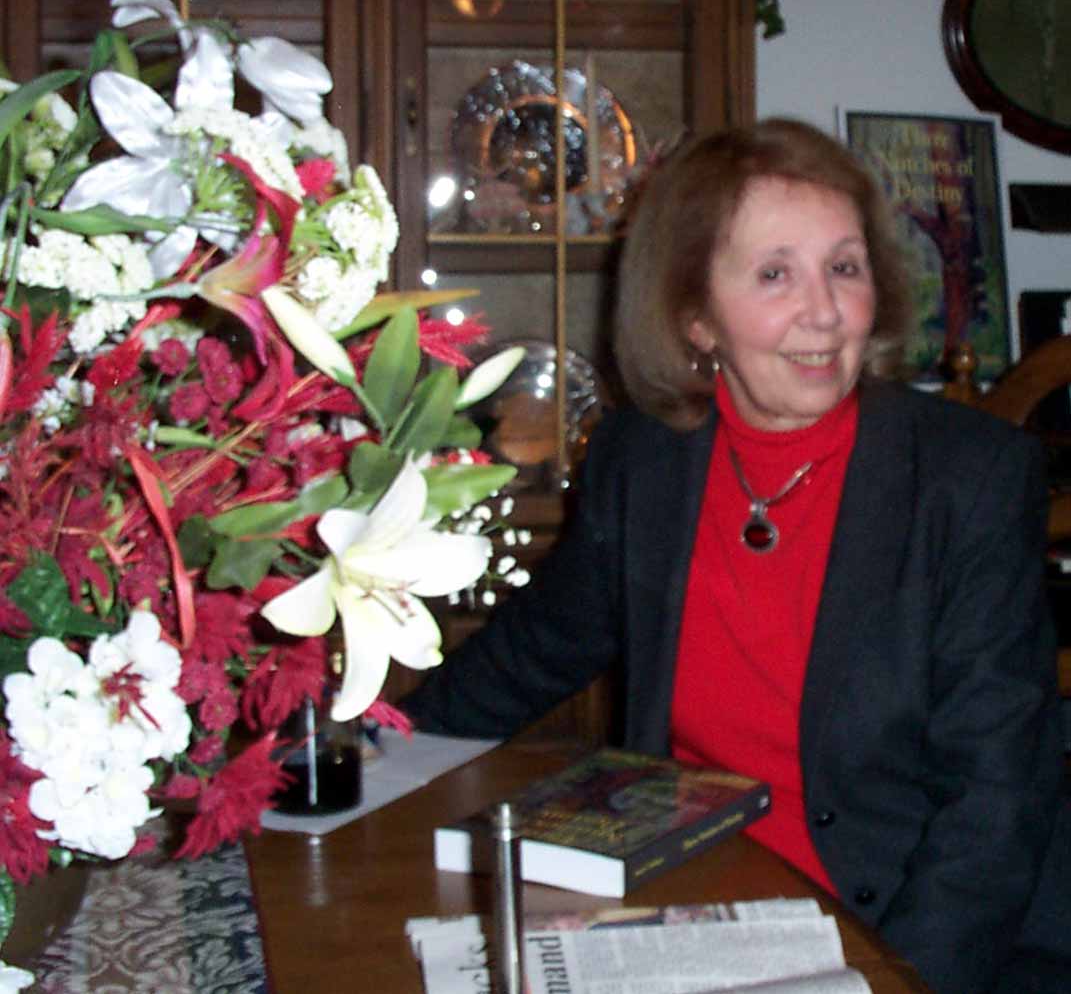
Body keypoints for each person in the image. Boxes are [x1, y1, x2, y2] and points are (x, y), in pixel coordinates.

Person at [400, 118, 1070, 993]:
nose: (824, 311)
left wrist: (890, 982)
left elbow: (995, 803)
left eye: (844, 265)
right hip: (703, 903)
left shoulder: (966, 480)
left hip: (912, 924)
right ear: (694, 317)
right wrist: (373, 760)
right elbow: (534, 653)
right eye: (772, 275)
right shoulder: (646, 458)